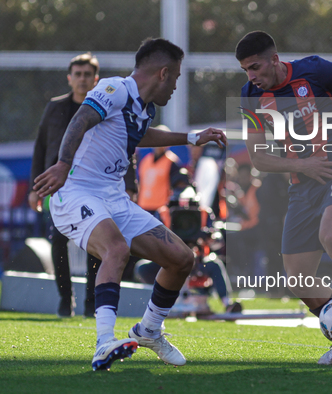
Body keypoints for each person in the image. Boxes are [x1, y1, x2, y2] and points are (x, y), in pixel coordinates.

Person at [33, 38, 226, 371]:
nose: (176, 86)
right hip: (76, 191)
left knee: (181, 259)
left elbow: (139, 136)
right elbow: (79, 121)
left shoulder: (143, 108)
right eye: (177, 77)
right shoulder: (115, 89)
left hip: (112, 197)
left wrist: (190, 137)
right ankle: (103, 342)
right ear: (163, 73)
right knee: (117, 249)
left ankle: (149, 330)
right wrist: (64, 164)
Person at [235, 31, 332, 365]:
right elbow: (258, 157)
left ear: (275, 60)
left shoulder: (314, 71)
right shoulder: (250, 94)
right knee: (297, 277)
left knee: (331, 236)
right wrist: (302, 164)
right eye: (246, 70)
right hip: (301, 187)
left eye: (256, 67)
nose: (252, 76)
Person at [29, 52, 107, 318]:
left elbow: (124, 145)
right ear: (69, 78)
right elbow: (40, 147)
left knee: (95, 243)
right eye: (78, 74)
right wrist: (34, 187)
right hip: (59, 186)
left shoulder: (105, 107)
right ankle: (66, 300)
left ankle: (90, 302)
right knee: (58, 240)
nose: (83, 79)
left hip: (94, 184)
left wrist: (131, 185)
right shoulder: (55, 106)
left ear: (96, 79)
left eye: (88, 74)